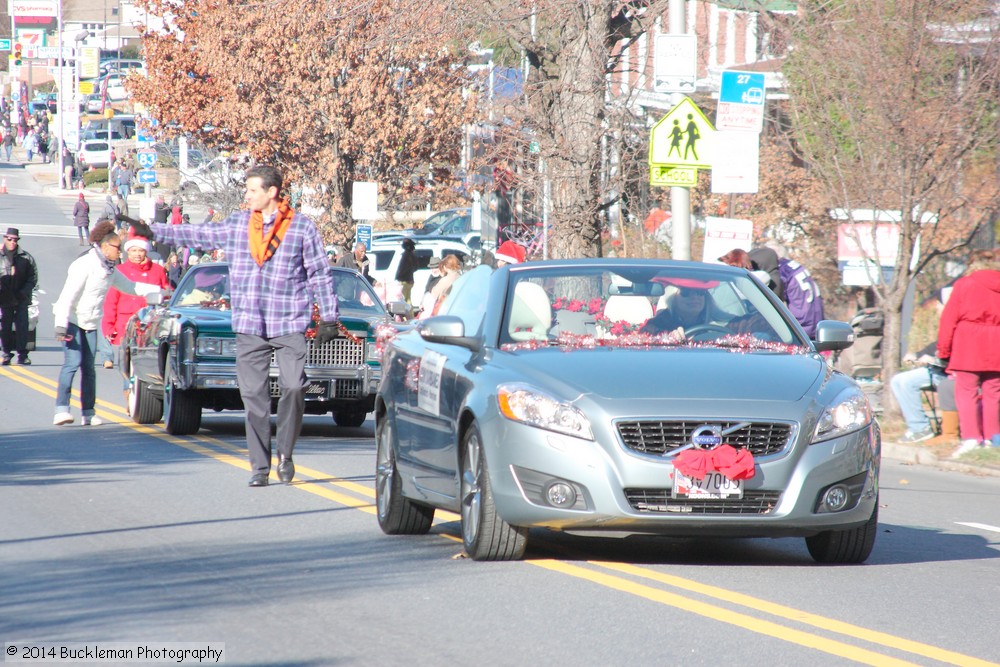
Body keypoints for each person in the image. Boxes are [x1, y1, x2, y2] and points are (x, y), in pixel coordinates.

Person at [129, 165, 339, 487]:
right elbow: (197, 234)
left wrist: (328, 316)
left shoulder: (302, 228)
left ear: (272, 192)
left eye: (252, 190)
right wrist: (153, 231)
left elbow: (320, 274)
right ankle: (259, 466)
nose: (247, 195)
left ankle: (285, 452)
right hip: (249, 323)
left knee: (295, 386)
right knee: (253, 395)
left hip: (288, 322)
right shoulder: (239, 224)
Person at [52, 221, 121, 426]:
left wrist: (159, 293)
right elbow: (67, 295)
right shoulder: (85, 264)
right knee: (72, 362)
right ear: (106, 246)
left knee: (89, 368)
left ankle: (88, 412)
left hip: (89, 323)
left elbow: (130, 286)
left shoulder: (110, 268)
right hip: (71, 320)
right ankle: (61, 409)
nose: (121, 252)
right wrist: (60, 324)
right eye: (118, 248)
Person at [937, 249, 1000, 457]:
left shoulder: (965, 284)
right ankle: (993, 437)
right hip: (996, 344)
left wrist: (944, 350)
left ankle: (971, 437)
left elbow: (949, 319)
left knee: (966, 392)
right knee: (994, 393)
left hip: (969, 344)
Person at [101, 227, 169, 401]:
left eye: (140, 250)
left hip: (150, 325)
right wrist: (109, 325)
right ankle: (129, 392)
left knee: (147, 360)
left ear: (146, 251)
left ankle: (147, 394)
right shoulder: (120, 271)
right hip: (125, 324)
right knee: (126, 360)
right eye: (133, 251)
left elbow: (166, 293)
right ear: (128, 252)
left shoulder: (158, 271)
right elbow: (111, 301)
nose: (137, 254)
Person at [889, 342, 951, 443]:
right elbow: (938, 344)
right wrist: (917, 355)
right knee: (896, 380)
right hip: (936, 369)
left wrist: (936, 360)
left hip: (947, 373)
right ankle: (915, 426)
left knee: (907, 382)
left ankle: (921, 428)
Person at [0, 228, 38, 365]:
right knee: (5, 327)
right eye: (9, 239)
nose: (12, 242)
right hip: (4, 298)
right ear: (5, 238)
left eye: (15, 240)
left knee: (22, 326)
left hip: (21, 297)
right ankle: (6, 353)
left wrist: (24, 291)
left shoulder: (26, 257)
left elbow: (33, 277)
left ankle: (22, 354)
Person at [640, 280, 716, 335]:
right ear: (672, 297)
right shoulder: (655, 326)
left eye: (700, 292)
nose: (694, 296)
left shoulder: (718, 325)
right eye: (686, 292)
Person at [778, 256, 825, 338]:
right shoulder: (797, 266)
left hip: (802, 326)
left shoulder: (784, 270)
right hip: (817, 324)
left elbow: (777, 297)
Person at [395, 238, 419, 305]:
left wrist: (399, 277)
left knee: (404, 300)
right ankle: (409, 314)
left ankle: (407, 314)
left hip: (405, 281)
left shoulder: (407, 255)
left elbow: (403, 268)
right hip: (409, 280)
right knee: (407, 299)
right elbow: (415, 267)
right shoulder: (411, 255)